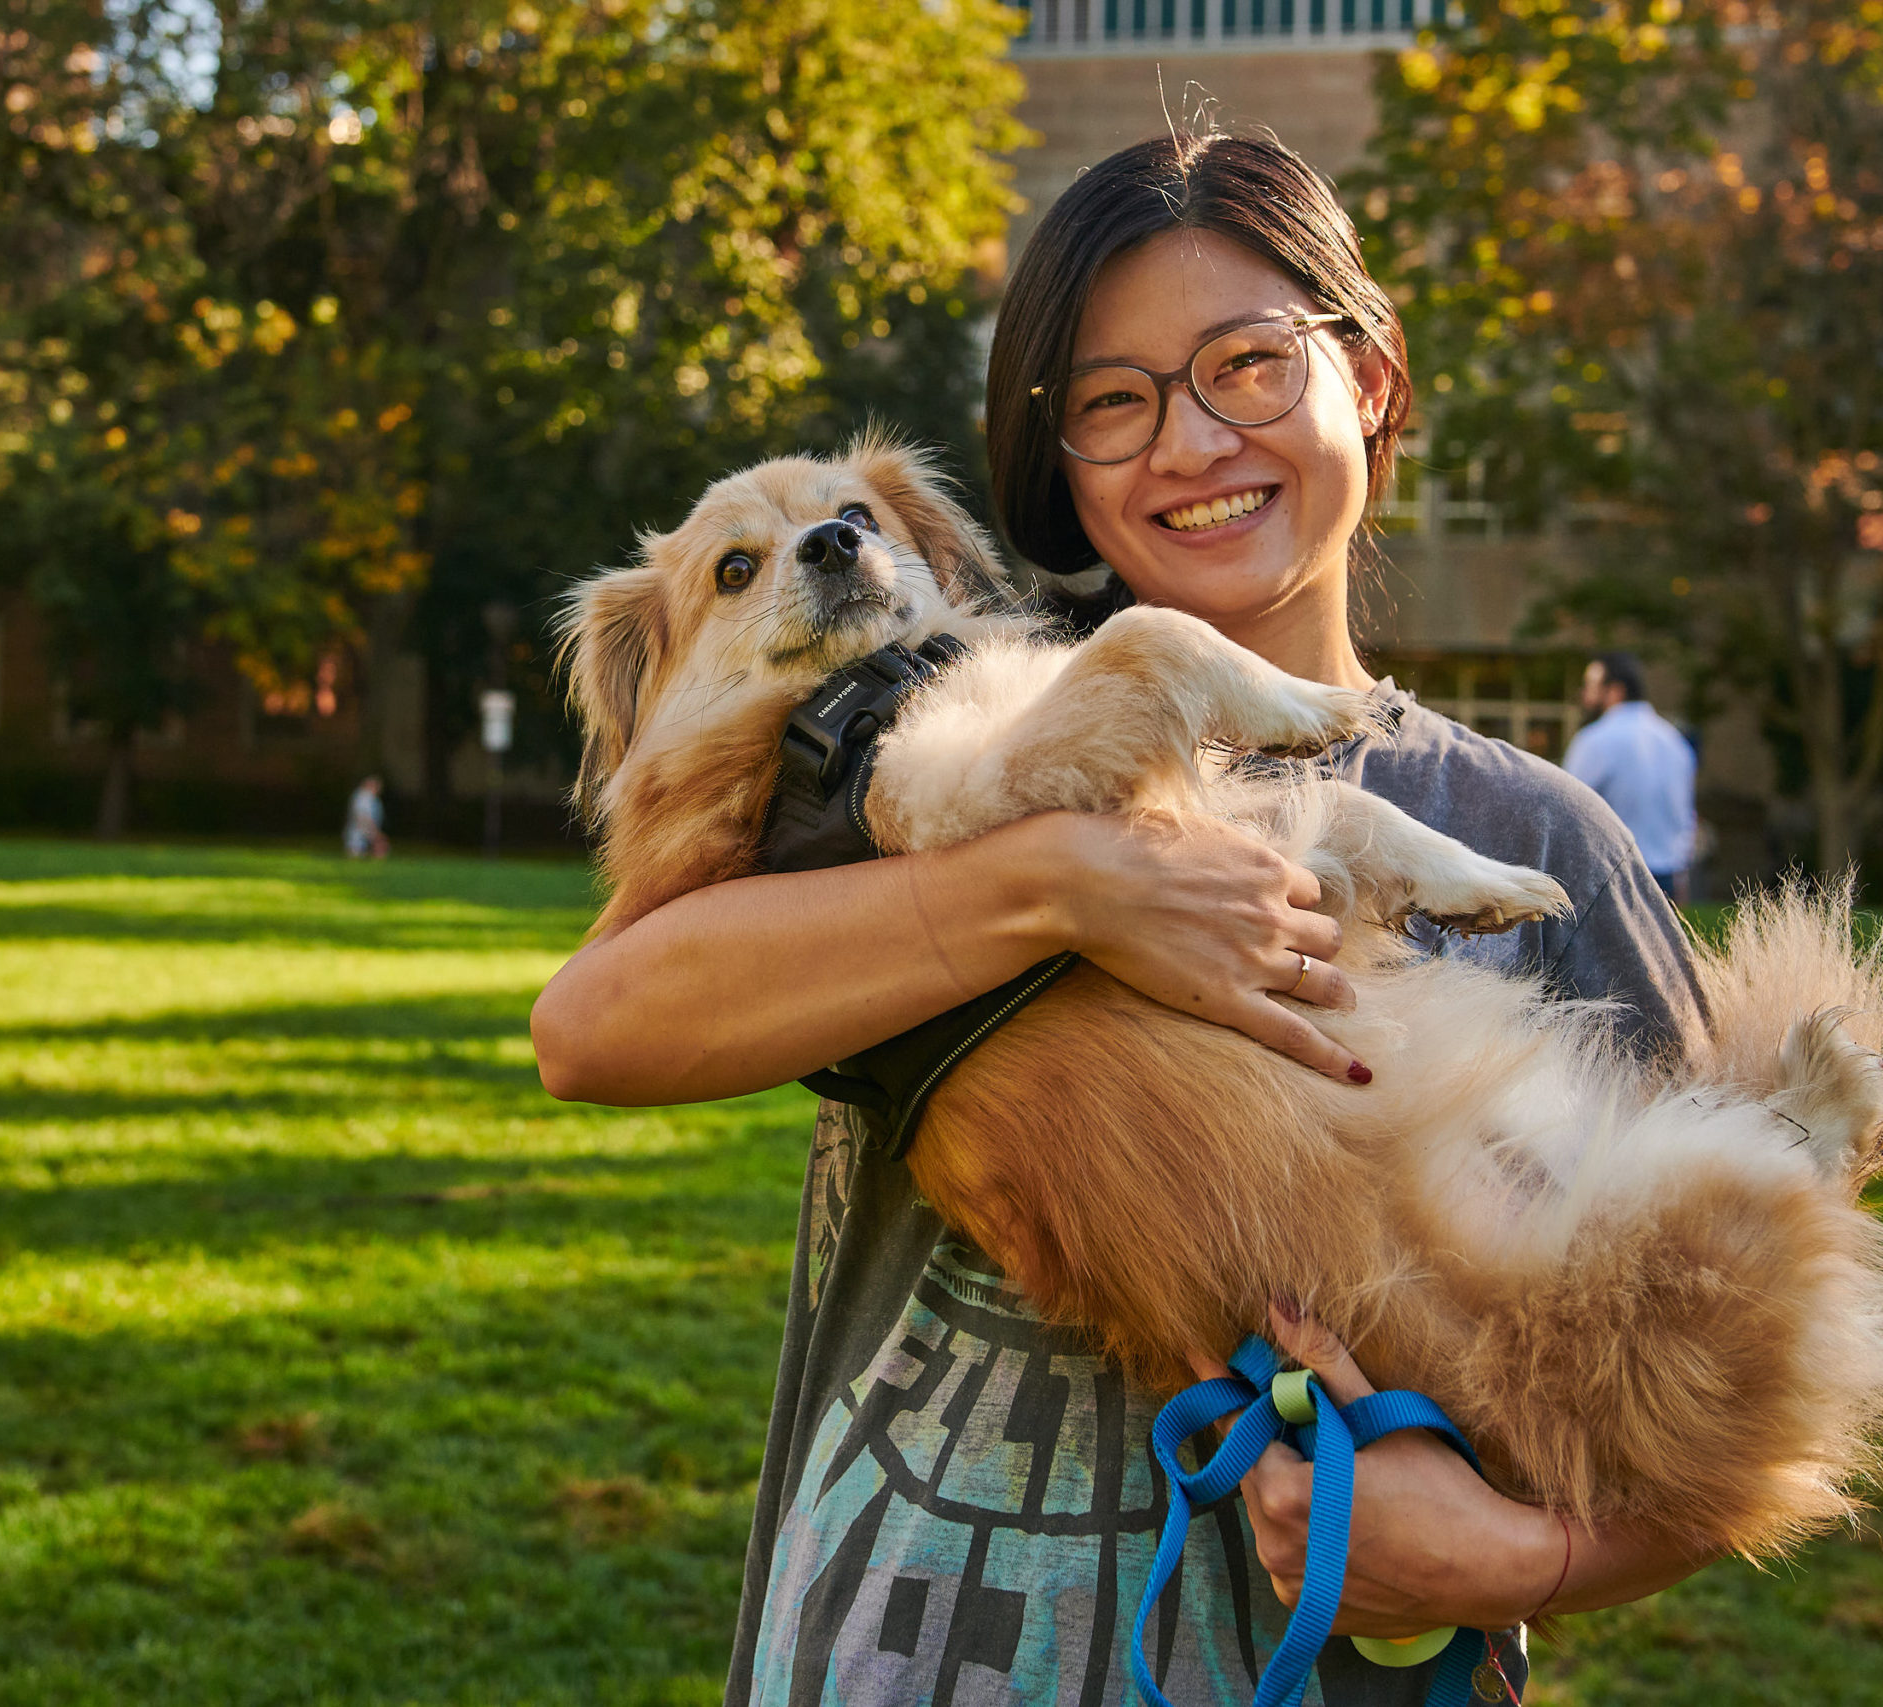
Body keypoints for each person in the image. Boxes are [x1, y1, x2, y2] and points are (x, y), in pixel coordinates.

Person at [532, 132, 1719, 1706]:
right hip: (896, 1652)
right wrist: (1061, 883)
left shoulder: (1532, 833)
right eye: (1113, 400)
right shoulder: (912, 743)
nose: (1191, 440)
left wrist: (1524, 1561)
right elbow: (598, 1022)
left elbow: (1723, 1347)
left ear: (1368, 375)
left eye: (1246, 362)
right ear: (1064, 467)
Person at [1563, 652, 1698, 902]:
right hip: (1668, 876)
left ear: (1615, 691)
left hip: (1613, 878)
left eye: (1591, 686)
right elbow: (1685, 814)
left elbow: (1567, 808)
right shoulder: (1675, 741)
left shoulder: (1593, 740)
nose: (1584, 694)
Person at [342, 775, 388, 859]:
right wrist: (374, 831)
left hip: (366, 830)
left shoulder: (370, 798)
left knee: (363, 853)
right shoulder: (363, 797)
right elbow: (362, 816)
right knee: (355, 853)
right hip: (359, 831)